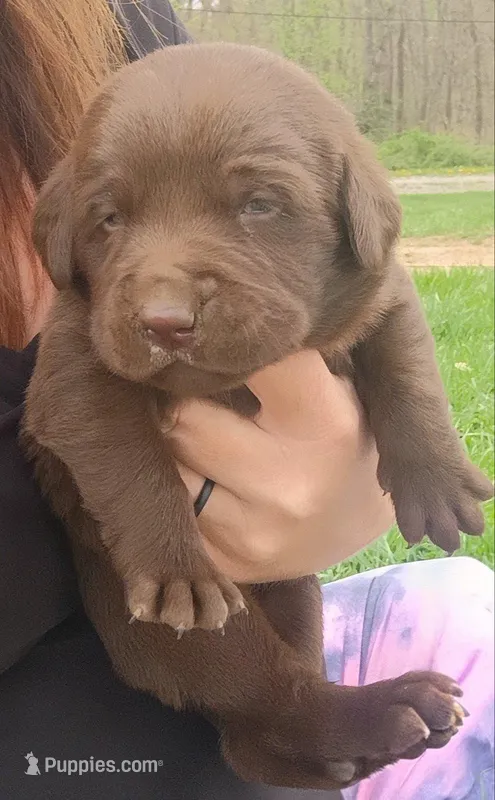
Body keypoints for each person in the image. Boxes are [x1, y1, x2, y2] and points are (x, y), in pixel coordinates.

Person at [0, 2, 492, 798]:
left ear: (353, 215)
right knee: (183, 612)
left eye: (259, 205)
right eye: (112, 219)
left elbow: (386, 306)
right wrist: (165, 551)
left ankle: (291, 724)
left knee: (293, 596)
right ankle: (285, 717)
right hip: (84, 728)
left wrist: (415, 450)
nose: (163, 295)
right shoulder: (87, 329)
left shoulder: (113, 25)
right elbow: (76, 407)